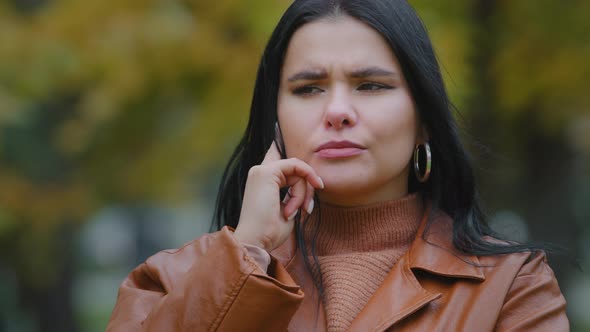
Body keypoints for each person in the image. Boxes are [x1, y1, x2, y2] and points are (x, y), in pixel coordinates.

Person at [107, 0, 569, 331]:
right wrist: (247, 258)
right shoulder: (172, 280)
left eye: (371, 85)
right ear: (275, 121)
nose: (338, 110)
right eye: (309, 88)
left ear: (424, 120)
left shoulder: (510, 286)